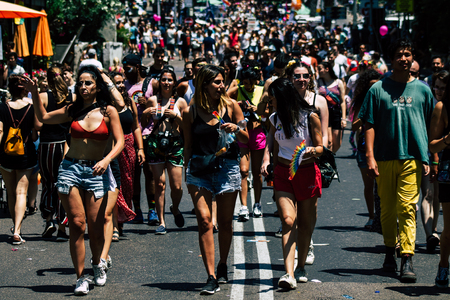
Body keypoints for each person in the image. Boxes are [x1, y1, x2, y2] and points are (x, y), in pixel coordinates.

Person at [24, 65, 125, 295]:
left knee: (96, 227)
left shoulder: (109, 111)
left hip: (96, 171)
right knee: (77, 224)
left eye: (88, 83)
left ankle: (98, 262)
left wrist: (107, 160)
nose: (83, 87)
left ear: (97, 86)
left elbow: (119, 142)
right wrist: (35, 92)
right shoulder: (72, 109)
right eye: (80, 83)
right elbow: (43, 118)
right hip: (70, 169)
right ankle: (80, 278)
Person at [359, 38, 434, 283]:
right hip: (383, 159)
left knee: (407, 208)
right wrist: (369, 157)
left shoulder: (423, 89)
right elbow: (368, 124)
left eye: (407, 54)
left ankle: (407, 258)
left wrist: (431, 157)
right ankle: (389, 251)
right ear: (391, 60)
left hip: (412, 158)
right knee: (389, 211)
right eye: (399, 55)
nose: (404, 58)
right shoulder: (378, 89)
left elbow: (432, 124)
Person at [182, 65, 248, 295]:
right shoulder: (190, 111)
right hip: (199, 169)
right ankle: (210, 276)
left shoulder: (231, 105)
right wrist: (186, 173)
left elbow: (246, 135)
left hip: (227, 168)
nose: (222, 86)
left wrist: (236, 129)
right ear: (204, 84)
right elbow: (188, 145)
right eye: (217, 82)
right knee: (204, 220)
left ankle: (222, 264)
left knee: (226, 222)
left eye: (222, 81)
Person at [262, 78, 323, 289]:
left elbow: (321, 147)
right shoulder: (273, 118)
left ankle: (301, 267)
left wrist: (313, 150)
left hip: (306, 172)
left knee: (305, 225)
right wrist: (266, 160)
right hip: (282, 173)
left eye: (273, 100)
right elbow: (271, 144)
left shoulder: (310, 117)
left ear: (283, 98)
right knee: (288, 220)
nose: (271, 104)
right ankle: (288, 274)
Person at [285, 60, 329, 264]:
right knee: (290, 209)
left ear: (310, 78)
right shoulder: (286, 100)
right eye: (297, 76)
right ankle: (295, 246)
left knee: (310, 208)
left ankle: (307, 243)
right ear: (291, 78)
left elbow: (325, 134)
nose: (301, 80)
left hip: (313, 160)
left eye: (305, 76)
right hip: (289, 162)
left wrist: (319, 154)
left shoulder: (319, 101)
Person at [141, 68, 187, 235]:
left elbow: (186, 126)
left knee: (177, 186)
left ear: (174, 82)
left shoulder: (180, 102)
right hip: (156, 143)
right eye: (164, 79)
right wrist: (146, 112)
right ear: (159, 82)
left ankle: (174, 208)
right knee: (159, 184)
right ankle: (161, 222)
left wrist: (175, 117)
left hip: (175, 143)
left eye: (169, 80)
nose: (166, 82)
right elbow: (144, 123)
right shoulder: (152, 100)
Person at [0, 75, 39, 245]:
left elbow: (0, 132)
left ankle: (14, 224)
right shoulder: (32, 107)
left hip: (6, 154)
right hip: (26, 153)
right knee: (21, 192)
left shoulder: (2, 107)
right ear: (25, 89)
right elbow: (37, 128)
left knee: (10, 193)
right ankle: (17, 230)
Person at [38, 67, 74, 241]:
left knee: (48, 183)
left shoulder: (44, 96)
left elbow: (38, 125)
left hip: (47, 145)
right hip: (64, 144)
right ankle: (62, 224)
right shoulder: (70, 97)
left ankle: (49, 219)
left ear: (48, 79)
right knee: (63, 183)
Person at [122, 53, 157, 226]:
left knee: (149, 172)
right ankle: (137, 210)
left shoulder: (151, 83)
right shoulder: (123, 86)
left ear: (137, 67)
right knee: (133, 175)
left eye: (128, 68)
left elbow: (164, 101)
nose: (126, 72)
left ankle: (152, 210)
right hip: (130, 135)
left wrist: (148, 103)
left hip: (148, 133)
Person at [228, 63, 265, 220]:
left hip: (258, 134)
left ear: (255, 80)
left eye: (249, 82)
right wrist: (238, 99)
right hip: (243, 133)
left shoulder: (262, 91)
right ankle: (243, 206)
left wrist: (256, 109)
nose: (246, 85)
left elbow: (269, 111)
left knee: (256, 173)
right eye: (244, 82)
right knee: (243, 171)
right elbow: (225, 96)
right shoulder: (239, 89)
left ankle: (257, 203)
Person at [349, 69, 382, 228]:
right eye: (371, 87)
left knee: (383, 185)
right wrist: (366, 114)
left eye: (377, 86)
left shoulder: (385, 99)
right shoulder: (362, 102)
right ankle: (371, 216)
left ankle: (385, 217)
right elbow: (354, 126)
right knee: (369, 185)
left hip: (383, 148)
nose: (374, 90)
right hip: (364, 148)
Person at [422, 70, 450, 255]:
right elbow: (432, 144)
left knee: (435, 197)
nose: (438, 91)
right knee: (429, 196)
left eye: (443, 88)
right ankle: (432, 233)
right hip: (437, 161)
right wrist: (448, 140)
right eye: (436, 87)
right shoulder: (437, 105)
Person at [429, 70, 450, 289]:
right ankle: (443, 264)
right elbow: (432, 145)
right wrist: (447, 139)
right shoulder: (442, 108)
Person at [317, 61, 346, 153]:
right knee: (329, 141)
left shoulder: (338, 82)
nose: (318, 71)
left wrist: (344, 118)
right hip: (324, 113)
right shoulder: (318, 82)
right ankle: (328, 161)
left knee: (337, 142)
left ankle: (331, 156)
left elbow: (342, 101)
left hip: (336, 112)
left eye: (320, 69)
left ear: (327, 69)